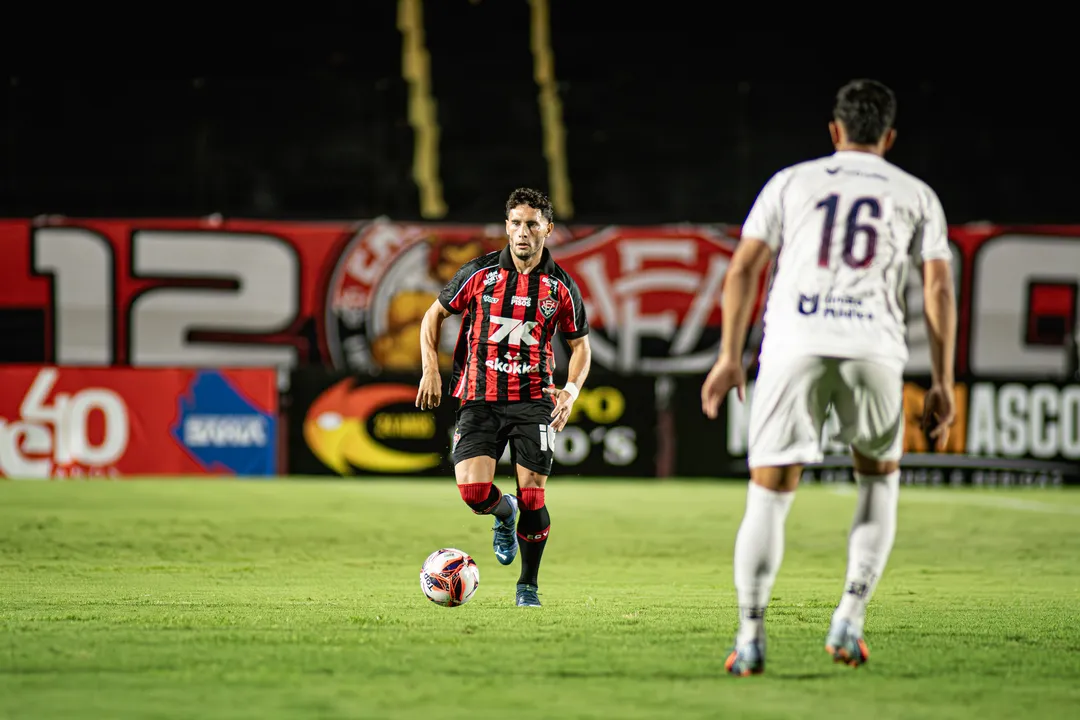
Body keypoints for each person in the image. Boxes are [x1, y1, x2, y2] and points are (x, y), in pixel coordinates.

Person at [701, 79, 958, 675]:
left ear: (834, 130)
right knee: (879, 480)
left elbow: (742, 272)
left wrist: (728, 356)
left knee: (769, 493)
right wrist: (941, 381)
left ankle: (750, 636)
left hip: (794, 345)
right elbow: (940, 286)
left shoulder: (791, 181)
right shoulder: (917, 193)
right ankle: (849, 617)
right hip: (875, 349)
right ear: (889, 137)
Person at [415, 187, 592, 608]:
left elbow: (581, 346)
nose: (522, 232)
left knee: (535, 496)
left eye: (532, 224)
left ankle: (527, 586)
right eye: (515, 223)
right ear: (507, 227)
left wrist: (570, 391)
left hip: (534, 400)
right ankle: (503, 513)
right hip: (478, 397)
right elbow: (433, 315)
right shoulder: (479, 274)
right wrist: (429, 369)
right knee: (474, 494)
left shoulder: (560, 286)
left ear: (547, 228)